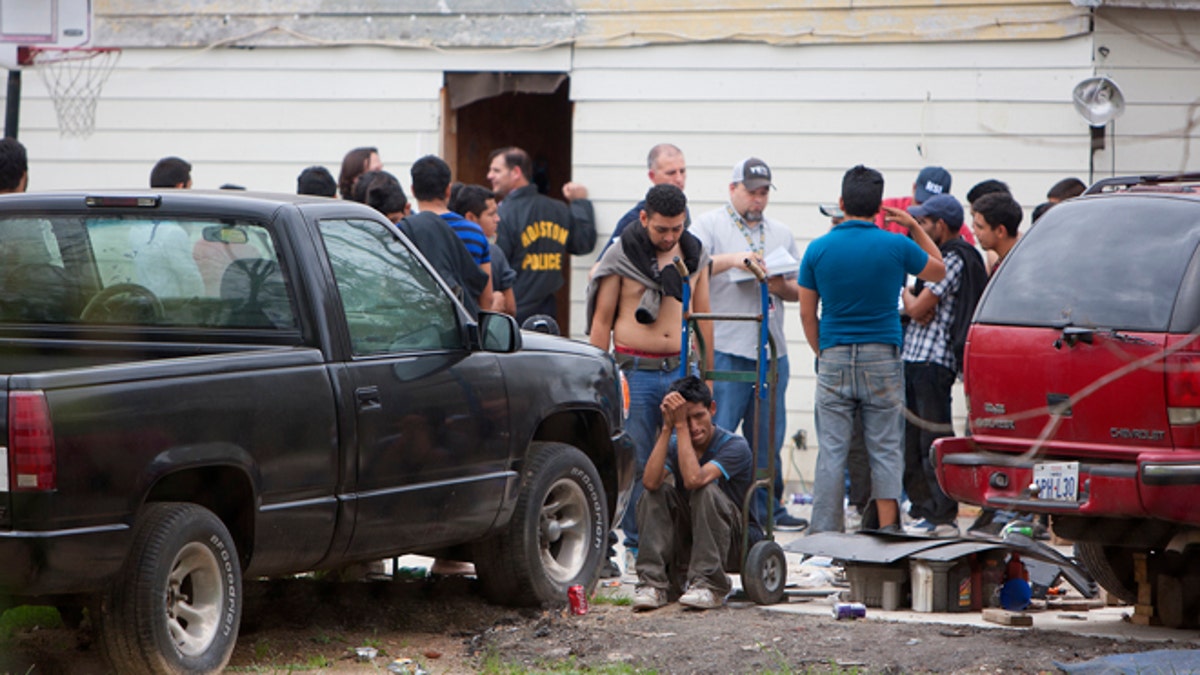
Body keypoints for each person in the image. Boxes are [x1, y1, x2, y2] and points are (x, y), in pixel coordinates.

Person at [798, 164, 945, 535]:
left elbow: (806, 312)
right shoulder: (896, 245)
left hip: (833, 353)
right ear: (880, 206)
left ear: (841, 202)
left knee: (832, 450)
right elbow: (939, 271)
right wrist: (912, 226)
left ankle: (826, 536)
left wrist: (822, 352)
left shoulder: (818, 249)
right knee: (885, 448)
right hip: (882, 354)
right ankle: (886, 530)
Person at [588, 183, 712, 577]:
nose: (670, 236)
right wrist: (595, 375)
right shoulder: (620, 255)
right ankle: (638, 549)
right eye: (662, 229)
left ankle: (676, 547)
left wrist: (704, 377)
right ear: (644, 219)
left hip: (680, 370)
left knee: (685, 458)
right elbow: (602, 320)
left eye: (677, 228)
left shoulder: (693, 254)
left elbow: (704, 318)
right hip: (635, 373)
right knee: (639, 462)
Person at [691, 157, 806, 532]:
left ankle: (766, 510)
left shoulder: (780, 232)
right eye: (752, 192)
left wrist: (773, 282)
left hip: (770, 351)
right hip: (726, 347)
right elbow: (692, 270)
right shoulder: (709, 225)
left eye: (764, 193)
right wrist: (734, 261)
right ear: (733, 189)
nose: (758, 200)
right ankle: (719, 507)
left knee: (767, 438)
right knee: (719, 431)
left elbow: (796, 288)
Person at [897, 195, 987, 538]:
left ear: (942, 225)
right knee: (911, 439)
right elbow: (920, 306)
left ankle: (942, 513)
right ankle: (923, 509)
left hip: (934, 361)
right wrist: (915, 300)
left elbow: (919, 308)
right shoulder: (934, 260)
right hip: (914, 357)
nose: (920, 228)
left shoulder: (953, 259)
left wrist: (906, 294)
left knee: (931, 438)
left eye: (926, 222)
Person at [629, 376, 755, 611]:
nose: (694, 426)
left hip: (733, 542)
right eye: (686, 419)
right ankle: (652, 584)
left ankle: (711, 585)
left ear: (712, 409)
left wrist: (680, 427)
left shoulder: (735, 445)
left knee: (704, 490)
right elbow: (649, 482)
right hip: (692, 539)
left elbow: (694, 480)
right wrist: (667, 427)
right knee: (654, 493)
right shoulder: (676, 440)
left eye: (699, 416)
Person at [487, 146, 596, 324]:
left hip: (513, 311)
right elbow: (583, 243)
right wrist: (580, 202)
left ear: (516, 172)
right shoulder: (559, 209)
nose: (489, 175)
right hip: (548, 312)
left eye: (496, 170)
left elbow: (496, 265)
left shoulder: (503, 214)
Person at [358, 170, 487, 316]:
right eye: (382, 226)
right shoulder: (364, 244)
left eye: (395, 221)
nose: (391, 232)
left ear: (407, 209)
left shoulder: (426, 231)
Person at [411, 155, 493, 312]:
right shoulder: (474, 231)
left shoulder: (404, 230)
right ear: (448, 189)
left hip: (421, 323)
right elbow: (486, 297)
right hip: (464, 323)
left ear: (413, 190)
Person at [594, 143, 689, 266]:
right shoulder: (633, 219)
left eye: (682, 171)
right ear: (652, 176)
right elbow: (598, 269)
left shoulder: (683, 209)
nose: (679, 179)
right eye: (671, 173)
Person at [450, 183, 516, 315]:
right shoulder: (495, 253)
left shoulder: (446, 247)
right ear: (471, 217)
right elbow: (510, 308)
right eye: (491, 214)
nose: (497, 219)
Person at [970, 191, 1023, 273]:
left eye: (980, 227)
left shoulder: (1016, 270)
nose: (975, 233)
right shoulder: (1006, 262)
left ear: (1000, 231)